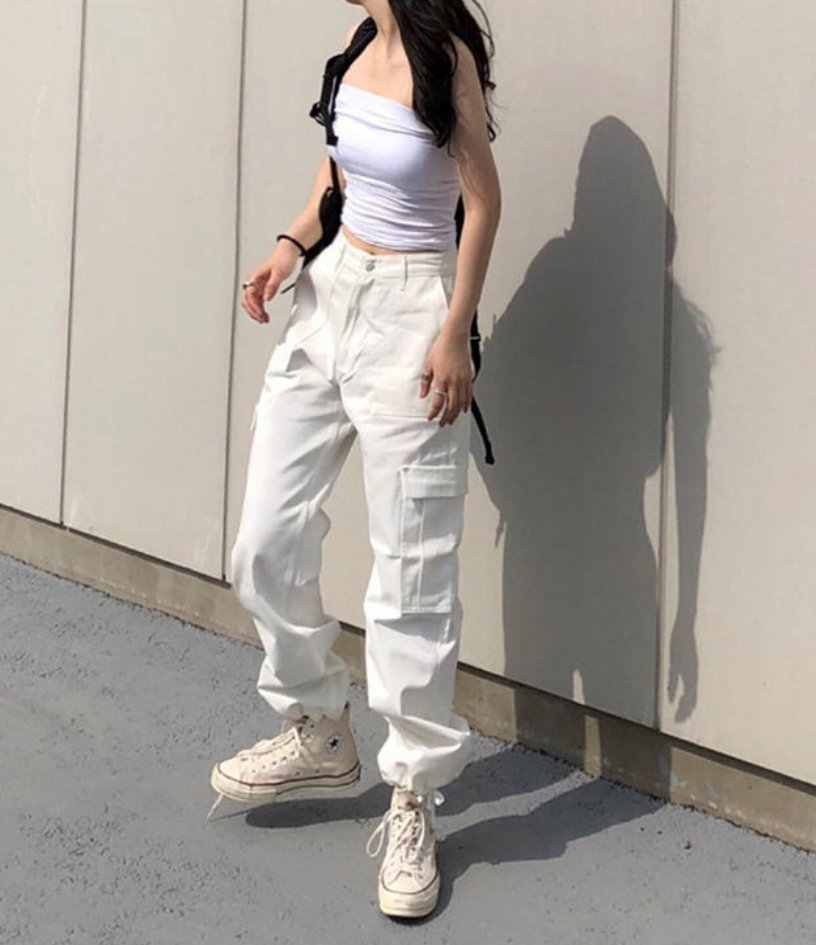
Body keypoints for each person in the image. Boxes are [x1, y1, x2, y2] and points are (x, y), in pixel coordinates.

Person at [208, 0, 500, 919]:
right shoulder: (356, 42)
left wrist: (453, 332)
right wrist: (290, 245)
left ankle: (412, 794)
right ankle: (321, 727)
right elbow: (336, 170)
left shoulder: (442, 57)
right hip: (329, 295)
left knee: (411, 574)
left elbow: (484, 202)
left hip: (415, 308)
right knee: (262, 541)